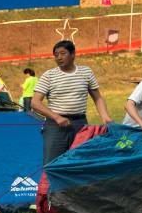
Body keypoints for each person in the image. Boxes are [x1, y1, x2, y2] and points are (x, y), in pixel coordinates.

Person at [32, 39, 108, 167]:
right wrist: (56, 117)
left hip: (80, 124)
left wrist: (105, 117)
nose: (59, 58)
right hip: (55, 125)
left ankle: (77, 188)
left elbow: (98, 98)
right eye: (56, 55)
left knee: (80, 162)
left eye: (63, 54)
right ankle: (53, 188)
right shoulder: (49, 75)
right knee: (52, 164)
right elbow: (35, 103)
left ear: (73, 54)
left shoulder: (86, 72)